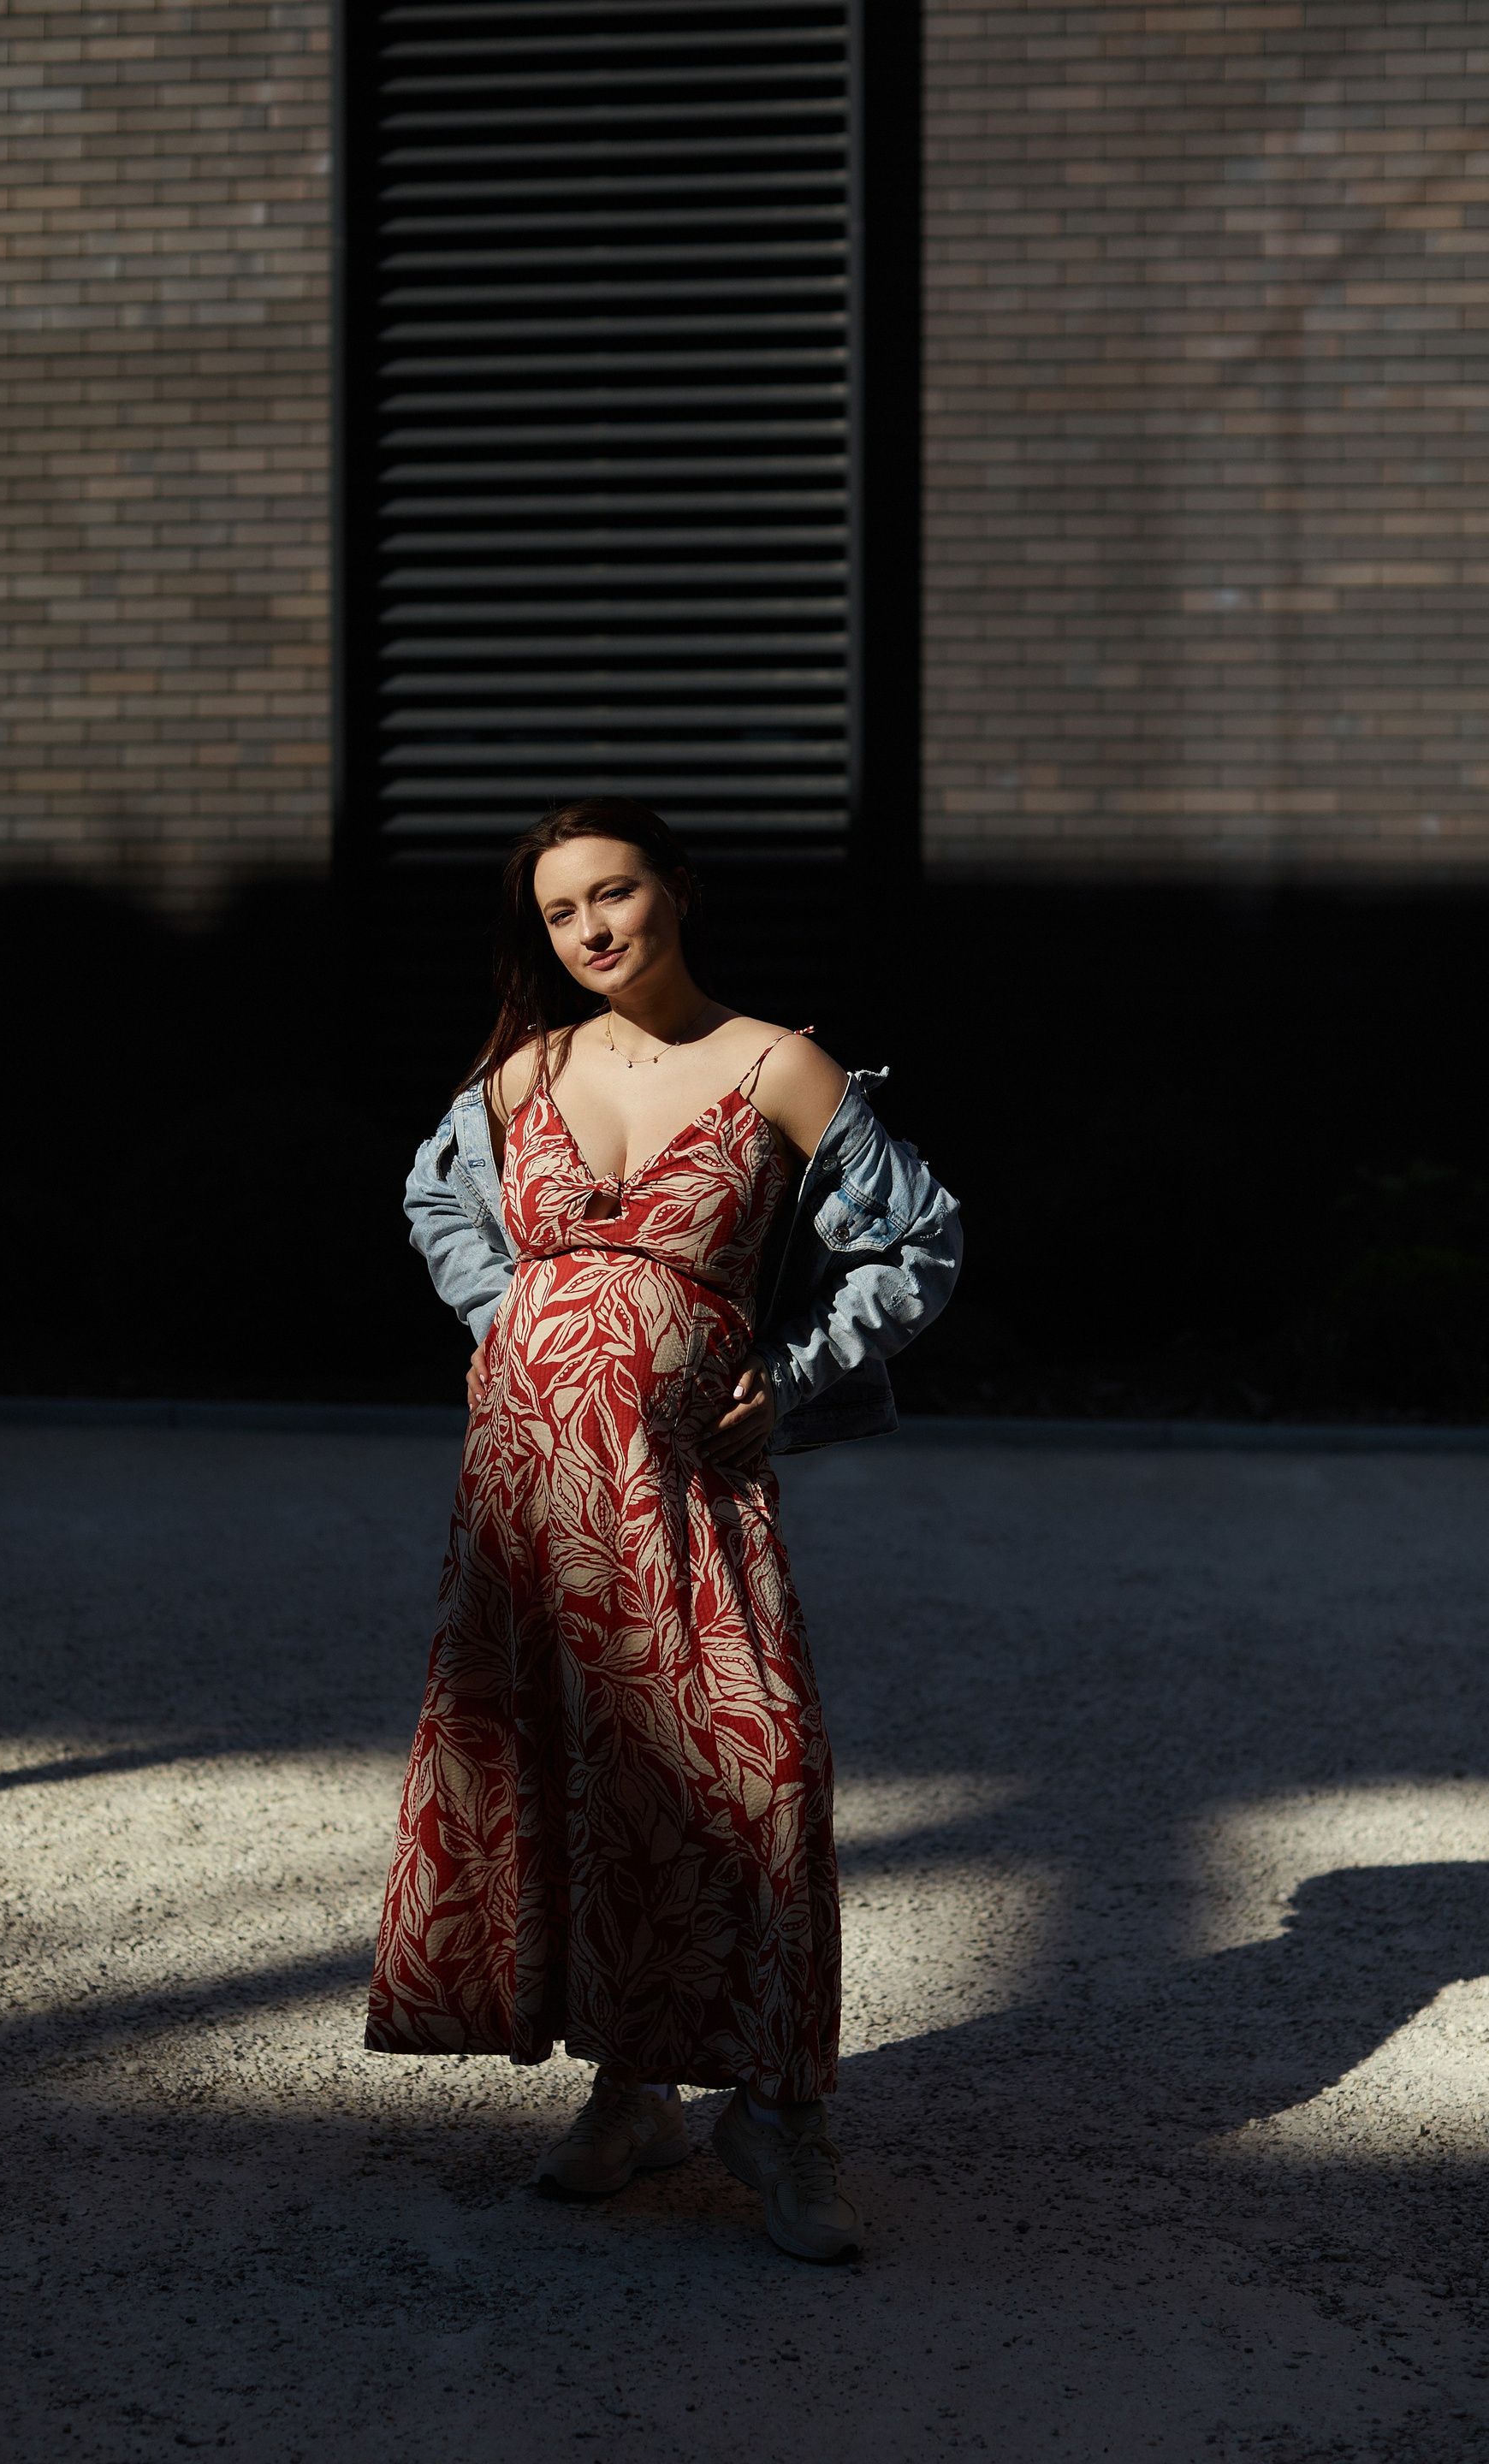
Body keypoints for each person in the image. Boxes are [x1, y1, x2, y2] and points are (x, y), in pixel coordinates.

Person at [365, 797, 961, 2262]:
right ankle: (632, 2094)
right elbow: (438, 1205)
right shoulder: (526, 1069)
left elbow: (921, 1237)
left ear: (677, 888)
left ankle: (782, 2116)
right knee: (585, 1775)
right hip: (528, 1488)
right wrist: (514, 1323)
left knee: (759, 1773)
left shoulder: (779, 1064)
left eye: (615, 893)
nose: (592, 930)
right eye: (562, 913)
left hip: (681, 1478)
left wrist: (797, 1374)